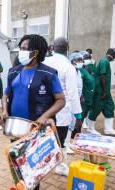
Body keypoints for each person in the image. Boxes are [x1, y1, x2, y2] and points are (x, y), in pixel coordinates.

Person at [0, 34, 65, 190]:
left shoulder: (48, 74)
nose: (20, 52)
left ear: (35, 53)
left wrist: (44, 117)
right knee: (17, 164)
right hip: (16, 128)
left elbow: (61, 100)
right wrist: (4, 110)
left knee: (32, 169)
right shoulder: (13, 72)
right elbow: (5, 94)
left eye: (23, 49)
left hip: (35, 129)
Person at [44, 37, 82, 176]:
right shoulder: (68, 67)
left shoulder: (44, 62)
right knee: (61, 140)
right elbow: (73, 94)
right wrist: (78, 116)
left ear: (53, 47)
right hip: (61, 111)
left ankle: (44, 165)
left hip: (45, 111)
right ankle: (60, 167)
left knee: (45, 138)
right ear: (67, 48)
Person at [88, 48, 115, 135]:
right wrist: (104, 91)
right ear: (113, 55)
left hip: (106, 92)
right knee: (96, 108)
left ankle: (108, 128)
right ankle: (90, 128)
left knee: (110, 107)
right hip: (100, 91)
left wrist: (106, 92)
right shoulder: (104, 61)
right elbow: (102, 76)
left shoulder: (106, 62)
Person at [67, 53, 84, 146]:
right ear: (72, 61)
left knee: (73, 123)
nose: (80, 62)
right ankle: (66, 143)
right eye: (78, 60)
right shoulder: (70, 71)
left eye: (81, 60)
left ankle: (69, 142)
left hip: (76, 99)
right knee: (69, 122)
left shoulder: (79, 72)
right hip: (70, 100)